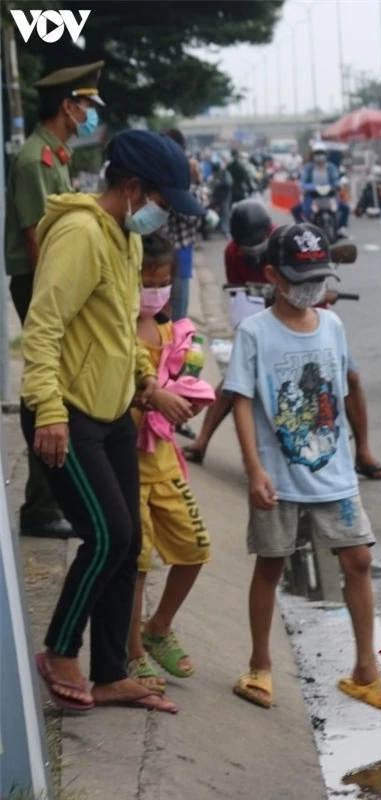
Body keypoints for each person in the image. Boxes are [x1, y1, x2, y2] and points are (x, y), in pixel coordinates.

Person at [21, 129, 203, 714]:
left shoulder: (124, 236)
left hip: (114, 410)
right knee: (108, 535)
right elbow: (43, 329)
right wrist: (48, 411)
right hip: (67, 414)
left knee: (130, 549)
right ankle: (60, 648)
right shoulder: (79, 234)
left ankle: (110, 673)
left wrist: (147, 389)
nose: (164, 214)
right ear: (131, 188)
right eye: (162, 201)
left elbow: (118, 336)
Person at [224, 222, 381, 714]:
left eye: (318, 278)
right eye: (299, 278)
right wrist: (254, 469)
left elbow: (342, 391)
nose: (311, 288)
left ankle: (366, 671)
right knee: (271, 564)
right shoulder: (254, 332)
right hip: (278, 478)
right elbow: (241, 401)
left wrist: (361, 452)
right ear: (271, 275)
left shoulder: (332, 325)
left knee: (359, 562)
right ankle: (260, 665)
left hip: (335, 475)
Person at [182, 200, 381, 481]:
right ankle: (202, 441)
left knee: (350, 378)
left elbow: (315, 284)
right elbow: (242, 298)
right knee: (235, 380)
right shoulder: (234, 253)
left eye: (255, 245)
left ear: (267, 233)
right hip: (267, 318)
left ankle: (363, 452)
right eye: (245, 247)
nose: (251, 252)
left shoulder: (293, 243)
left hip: (312, 318)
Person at [4, 60, 105, 539]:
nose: (89, 113)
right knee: (51, 386)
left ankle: (49, 500)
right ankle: (41, 507)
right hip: (40, 282)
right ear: (67, 106)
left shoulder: (56, 155)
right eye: (85, 105)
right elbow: (35, 240)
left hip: (51, 282)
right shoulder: (33, 160)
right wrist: (61, 297)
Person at [125, 231, 214, 694]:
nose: (154, 292)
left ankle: (157, 627)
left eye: (162, 282)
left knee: (195, 549)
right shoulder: (118, 334)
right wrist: (154, 396)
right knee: (136, 564)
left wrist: (186, 399)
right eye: (145, 282)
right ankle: (132, 650)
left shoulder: (173, 334)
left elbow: (186, 387)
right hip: (128, 467)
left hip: (165, 464)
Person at [162, 129, 203, 322]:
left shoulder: (187, 173)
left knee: (178, 310)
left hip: (180, 249)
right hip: (155, 250)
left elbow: (196, 215)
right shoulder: (158, 171)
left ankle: (177, 347)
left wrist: (194, 182)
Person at [291, 142, 350, 237]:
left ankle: (341, 228)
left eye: (321, 153)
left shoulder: (331, 167)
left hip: (330, 195)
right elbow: (303, 182)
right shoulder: (308, 168)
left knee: (345, 208)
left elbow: (336, 180)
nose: (319, 156)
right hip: (312, 196)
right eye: (317, 153)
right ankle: (303, 230)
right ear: (313, 155)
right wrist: (311, 187)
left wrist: (337, 185)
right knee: (295, 209)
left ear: (326, 155)